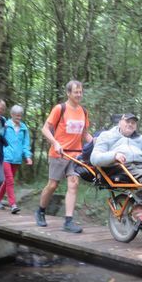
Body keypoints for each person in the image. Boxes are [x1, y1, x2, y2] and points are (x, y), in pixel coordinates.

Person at [90, 113, 142, 224]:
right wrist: (113, 155)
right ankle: (138, 210)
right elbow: (94, 158)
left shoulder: (140, 139)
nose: (130, 124)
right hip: (117, 166)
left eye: (133, 123)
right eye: (127, 121)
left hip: (139, 167)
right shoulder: (106, 136)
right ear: (120, 123)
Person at [36, 80, 92, 233]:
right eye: (76, 92)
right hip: (59, 153)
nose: (79, 94)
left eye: (80, 92)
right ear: (68, 93)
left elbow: (85, 134)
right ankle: (41, 211)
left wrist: (96, 142)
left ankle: (68, 221)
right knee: (52, 185)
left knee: (73, 184)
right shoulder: (60, 109)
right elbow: (45, 129)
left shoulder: (83, 111)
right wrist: (55, 142)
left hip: (76, 155)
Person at [0, 105, 33, 214]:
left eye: (20, 116)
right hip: (5, 157)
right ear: (12, 115)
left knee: (7, 181)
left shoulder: (24, 128)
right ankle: (13, 204)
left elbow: (26, 144)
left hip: (17, 158)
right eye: (16, 116)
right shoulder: (6, 125)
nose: (19, 118)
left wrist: (28, 156)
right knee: (10, 180)